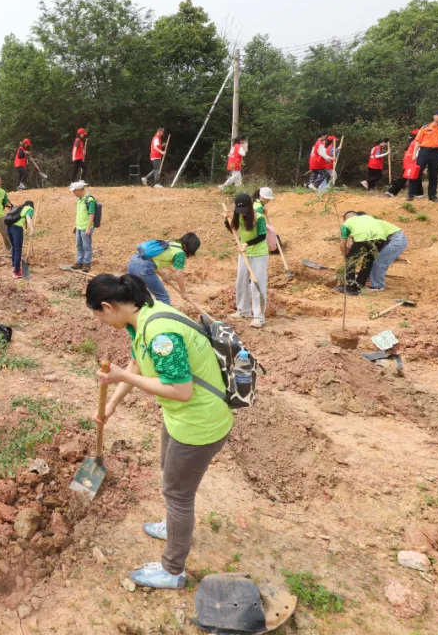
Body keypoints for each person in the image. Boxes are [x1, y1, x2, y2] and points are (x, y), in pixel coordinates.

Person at [86, 273, 232, 590]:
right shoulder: (142, 320)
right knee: (170, 473)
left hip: (199, 423)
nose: (99, 321)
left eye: (97, 314)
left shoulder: (160, 334)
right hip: (180, 419)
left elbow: (180, 390)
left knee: (178, 494)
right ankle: (174, 527)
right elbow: (137, 365)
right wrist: (110, 406)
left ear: (107, 306)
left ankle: (172, 570)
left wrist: (124, 376)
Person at [337, 211, 407, 294]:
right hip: (380, 239)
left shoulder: (346, 223)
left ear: (346, 219)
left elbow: (343, 245)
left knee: (351, 261)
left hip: (391, 238)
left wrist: (347, 256)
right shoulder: (369, 219)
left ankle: (350, 289)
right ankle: (359, 286)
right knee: (368, 262)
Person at [225, 193, 268, 328]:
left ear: (249, 208)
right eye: (239, 211)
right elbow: (233, 229)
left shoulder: (259, 218)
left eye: (244, 211)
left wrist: (247, 244)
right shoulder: (239, 216)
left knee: (256, 284)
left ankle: (259, 317)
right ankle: (243, 311)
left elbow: (262, 236)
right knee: (241, 281)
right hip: (244, 253)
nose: (242, 213)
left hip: (259, 254)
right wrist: (226, 220)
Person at [126, 233, 200, 305]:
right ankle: (160, 317)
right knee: (163, 298)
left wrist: (163, 275)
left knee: (138, 294)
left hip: (133, 260)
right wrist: (183, 292)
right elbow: (178, 275)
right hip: (143, 268)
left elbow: (152, 258)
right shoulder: (180, 254)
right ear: (189, 248)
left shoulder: (171, 243)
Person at [409, 110, 438, 203]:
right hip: (424, 151)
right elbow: (418, 141)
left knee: (433, 174)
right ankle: (411, 194)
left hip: (436, 152)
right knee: (417, 172)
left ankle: (432, 195)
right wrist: (414, 154)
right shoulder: (425, 127)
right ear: (434, 116)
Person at [69, 181, 97, 272]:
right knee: (79, 245)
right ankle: (79, 262)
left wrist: (88, 228)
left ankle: (87, 263)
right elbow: (79, 214)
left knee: (86, 246)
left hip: (86, 228)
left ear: (80, 190)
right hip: (79, 227)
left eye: (74, 191)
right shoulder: (79, 199)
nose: (73, 193)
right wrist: (75, 225)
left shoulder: (89, 200)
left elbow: (91, 214)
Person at [386, 130, 421, 198]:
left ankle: (419, 193)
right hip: (412, 161)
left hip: (408, 161)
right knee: (404, 177)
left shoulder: (411, 142)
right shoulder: (416, 142)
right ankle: (391, 191)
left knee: (415, 177)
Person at [8, 199, 35, 280]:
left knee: (14, 248)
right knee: (18, 250)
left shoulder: (20, 208)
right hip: (16, 229)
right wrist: (31, 229)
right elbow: (28, 218)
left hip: (9, 228)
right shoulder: (30, 209)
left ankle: (14, 266)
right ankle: (16, 272)